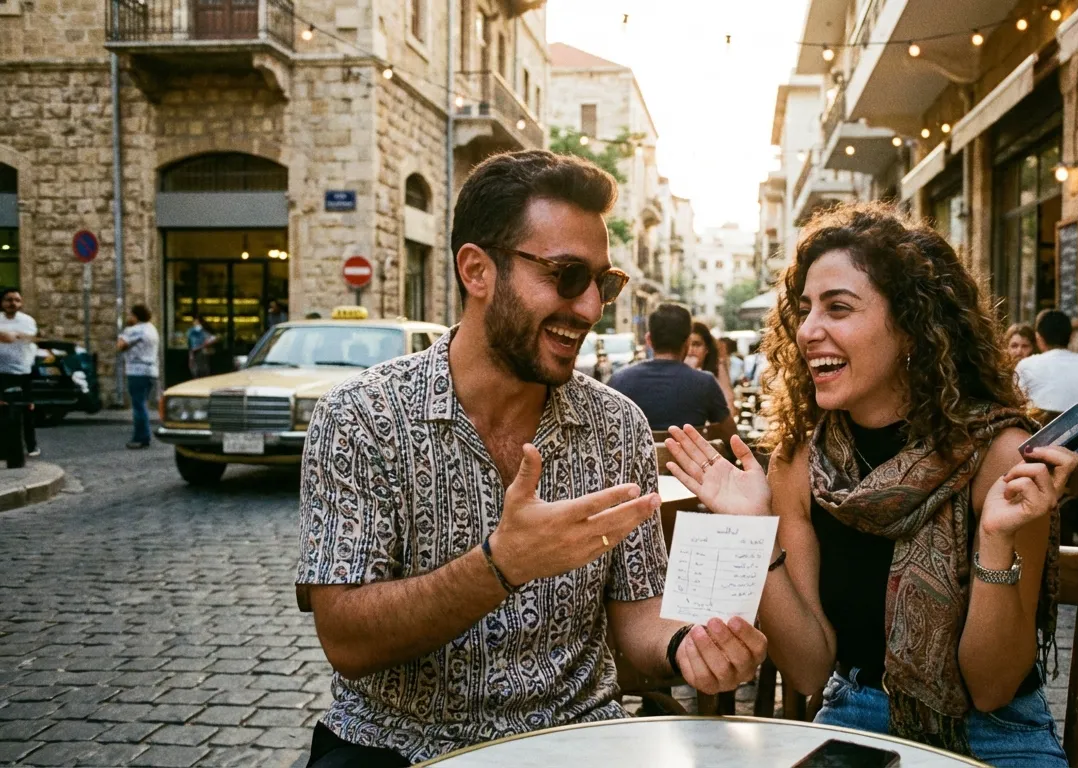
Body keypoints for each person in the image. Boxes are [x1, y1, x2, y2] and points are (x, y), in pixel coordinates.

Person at [296, 150, 765, 767]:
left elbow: (639, 612)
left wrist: (687, 645)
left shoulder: (616, 424)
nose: (591, 308)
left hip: (580, 740)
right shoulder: (361, 416)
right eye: (567, 276)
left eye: (603, 284)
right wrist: (501, 565)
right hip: (396, 745)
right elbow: (346, 639)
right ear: (477, 271)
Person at [663, 202, 1078, 763]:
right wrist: (754, 532)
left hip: (996, 733)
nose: (808, 331)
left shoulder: (999, 457)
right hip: (856, 712)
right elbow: (809, 669)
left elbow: (993, 687)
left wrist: (996, 540)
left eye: (838, 308)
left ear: (912, 327)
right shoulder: (799, 461)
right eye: (805, 310)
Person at [608, 303, 733, 431]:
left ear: (649, 340)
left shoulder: (618, 380)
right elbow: (730, 433)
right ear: (687, 342)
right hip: (686, 445)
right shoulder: (705, 383)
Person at [1014, 309, 1078, 416]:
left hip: (1044, 426)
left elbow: (1015, 405)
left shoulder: (1025, 365)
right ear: (1071, 336)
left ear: (1038, 337)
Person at [0, 288, 39, 457]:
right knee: (3, 409)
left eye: (16, 300)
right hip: (2, 371)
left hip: (22, 371)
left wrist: (14, 334)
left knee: (27, 408)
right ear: (2, 302)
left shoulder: (27, 320)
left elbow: (28, 336)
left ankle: (31, 445)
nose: (12, 303)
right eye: (8, 300)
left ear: (21, 303)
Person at [116, 304, 160, 450]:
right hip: (151, 371)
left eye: (131, 315)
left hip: (137, 371)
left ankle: (141, 437)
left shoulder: (134, 330)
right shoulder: (152, 329)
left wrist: (125, 331)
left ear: (136, 316)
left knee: (138, 405)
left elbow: (120, 345)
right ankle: (143, 435)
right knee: (142, 404)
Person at [686, 322, 735, 416]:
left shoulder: (716, 369)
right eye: (687, 345)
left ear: (707, 349)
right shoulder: (675, 371)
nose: (691, 350)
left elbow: (729, 408)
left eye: (696, 344)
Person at [185, 315, 217, 379]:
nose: (195, 324)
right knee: (195, 371)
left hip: (202, 353)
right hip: (195, 353)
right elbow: (190, 344)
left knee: (203, 370)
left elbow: (213, 338)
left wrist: (204, 344)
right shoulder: (191, 332)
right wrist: (191, 355)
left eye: (197, 323)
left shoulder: (204, 332)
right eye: (194, 323)